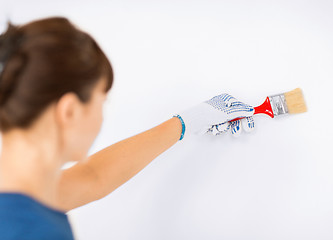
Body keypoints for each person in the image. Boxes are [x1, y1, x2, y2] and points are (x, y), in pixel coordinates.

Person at [0, 17, 255, 240]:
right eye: (103, 100)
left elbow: (93, 177)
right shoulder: (36, 231)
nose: (102, 116)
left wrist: (189, 121)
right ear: (69, 111)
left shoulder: (24, 191)